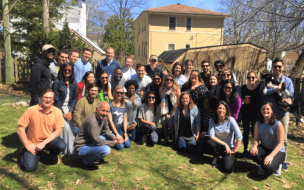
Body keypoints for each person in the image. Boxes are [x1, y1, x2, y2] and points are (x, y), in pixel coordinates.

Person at [17, 89, 66, 172]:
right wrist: (27, 146)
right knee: (29, 168)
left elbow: (58, 130)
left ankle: (51, 155)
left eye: (50, 98)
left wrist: (43, 143)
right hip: (33, 143)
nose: (48, 100)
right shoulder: (31, 110)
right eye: (45, 97)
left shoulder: (57, 112)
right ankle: (24, 151)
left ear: (53, 100)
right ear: (41, 98)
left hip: (48, 141)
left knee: (61, 145)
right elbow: (20, 129)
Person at [260, 59, 294, 171]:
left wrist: (287, 103)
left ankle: (282, 160)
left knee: (283, 139)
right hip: (269, 114)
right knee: (268, 136)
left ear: (283, 67)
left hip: (283, 113)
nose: (277, 68)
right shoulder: (267, 79)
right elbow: (262, 92)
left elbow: (291, 97)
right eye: (275, 66)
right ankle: (267, 157)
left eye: (279, 66)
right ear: (272, 68)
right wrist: (275, 89)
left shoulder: (288, 81)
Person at [74, 101, 124, 169]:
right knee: (106, 149)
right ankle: (85, 160)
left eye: (107, 111)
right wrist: (114, 142)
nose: (105, 113)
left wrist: (114, 138)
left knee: (105, 138)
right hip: (81, 146)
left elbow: (106, 130)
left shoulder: (103, 117)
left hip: (90, 141)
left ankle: (93, 156)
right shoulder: (92, 121)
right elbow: (97, 141)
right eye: (103, 110)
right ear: (97, 109)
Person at [250, 102, 285, 176]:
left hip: (278, 151)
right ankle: (263, 164)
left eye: (268, 109)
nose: (265, 111)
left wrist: (271, 156)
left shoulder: (278, 124)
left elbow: (280, 143)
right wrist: (254, 146)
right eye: (263, 109)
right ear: (260, 110)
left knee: (269, 168)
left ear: (272, 110)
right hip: (265, 147)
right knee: (251, 153)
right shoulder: (258, 123)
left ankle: (277, 165)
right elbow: (256, 138)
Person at [207, 101, 243, 173]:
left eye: (223, 108)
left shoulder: (230, 120)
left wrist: (234, 150)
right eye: (219, 108)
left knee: (228, 169)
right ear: (216, 109)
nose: (221, 110)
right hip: (218, 144)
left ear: (226, 110)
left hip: (229, 147)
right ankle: (216, 157)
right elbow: (211, 136)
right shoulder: (212, 119)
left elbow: (239, 136)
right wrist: (225, 144)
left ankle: (224, 157)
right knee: (208, 142)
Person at [53, 63, 78, 155]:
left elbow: (75, 98)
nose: (67, 72)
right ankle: (64, 150)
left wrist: (70, 112)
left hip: (69, 108)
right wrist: (63, 114)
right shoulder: (57, 82)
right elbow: (56, 99)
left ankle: (71, 149)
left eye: (69, 70)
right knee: (65, 127)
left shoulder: (74, 82)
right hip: (59, 108)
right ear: (62, 70)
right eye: (65, 70)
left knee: (71, 127)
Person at [241, 71, 262, 156]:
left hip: (255, 114)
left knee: (255, 132)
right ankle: (245, 149)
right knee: (245, 132)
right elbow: (239, 99)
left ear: (256, 78)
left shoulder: (259, 88)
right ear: (247, 78)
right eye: (249, 77)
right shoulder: (243, 88)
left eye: (253, 77)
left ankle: (254, 149)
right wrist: (243, 101)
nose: (251, 79)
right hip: (245, 113)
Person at [159, 73, 181, 144]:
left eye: (171, 80)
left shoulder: (176, 90)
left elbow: (178, 103)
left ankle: (174, 138)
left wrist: (170, 114)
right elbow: (161, 101)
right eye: (167, 80)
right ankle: (166, 138)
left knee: (171, 123)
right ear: (165, 81)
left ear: (173, 81)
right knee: (163, 121)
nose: (169, 81)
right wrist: (166, 113)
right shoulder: (161, 89)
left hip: (174, 110)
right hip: (165, 110)